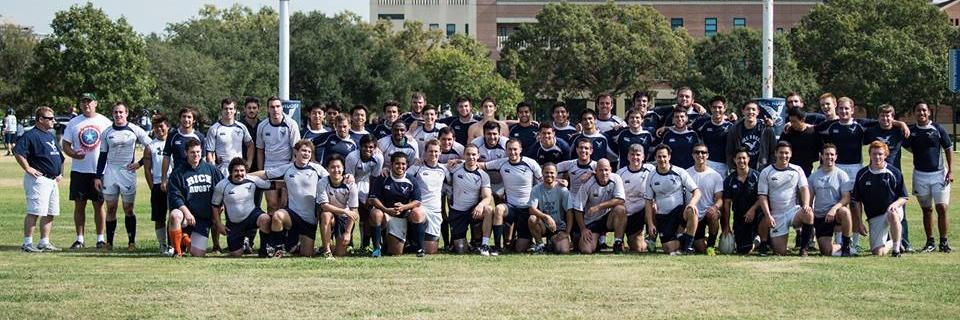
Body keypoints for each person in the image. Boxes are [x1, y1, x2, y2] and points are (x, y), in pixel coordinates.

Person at [255, 139, 329, 257]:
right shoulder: (287, 168)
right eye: (303, 150)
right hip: (292, 215)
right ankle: (278, 249)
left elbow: (334, 179)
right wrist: (247, 175)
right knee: (278, 215)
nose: (306, 154)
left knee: (306, 254)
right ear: (296, 152)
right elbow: (266, 174)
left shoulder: (317, 169)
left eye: (309, 152)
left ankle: (296, 245)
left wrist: (348, 177)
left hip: (309, 220)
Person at [95, 103, 152, 251]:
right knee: (111, 208)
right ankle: (109, 243)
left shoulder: (135, 129)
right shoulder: (106, 132)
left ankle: (131, 242)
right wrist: (97, 176)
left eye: (121, 112)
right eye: (115, 112)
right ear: (112, 114)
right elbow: (102, 156)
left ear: (126, 113)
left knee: (128, 208)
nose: (118, 115)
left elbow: (151, 146)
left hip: (127, 173)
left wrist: (140, 163)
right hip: (110, 173)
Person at [62, 93, 112, 250]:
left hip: (99, 172)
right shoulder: (73, 123)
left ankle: (100, 239)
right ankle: (79, 239)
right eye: (83, 102)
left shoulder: (105, 122)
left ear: (95, 103)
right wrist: (73, 154)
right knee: (79, 206)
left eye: (89, 101)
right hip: (79, 171)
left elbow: (113, 144)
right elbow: (66, 145)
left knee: (99, 205)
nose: (86, 104)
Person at [904, 101, 953, 253]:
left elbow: (948, 148)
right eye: (918, 111)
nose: (921, 113)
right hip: (920, 175)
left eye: (924, 110)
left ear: (929, 112)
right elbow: (908, 146)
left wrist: (950, 171)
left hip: (939, 174)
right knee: (927, 210)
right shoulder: (911, 131)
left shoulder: (938, 129)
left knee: (942, 208)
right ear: (914, 113)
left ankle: (944, 242)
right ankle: (930, 242)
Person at [481, 139, 542, 253]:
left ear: (520, 150)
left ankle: (527, 241)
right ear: (506, 150)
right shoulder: (502, 162)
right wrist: (459, 162)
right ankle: (498, 246)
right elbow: (482, 165)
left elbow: (544, 180)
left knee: (520, 249)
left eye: (515, 149)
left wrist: (560, 182)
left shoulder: (531, 163)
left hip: (526, 208)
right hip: (511, 207)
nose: (512, 152)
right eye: (509, 149)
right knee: (498, 208)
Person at [16, 106, 63, 252]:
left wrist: (60, 173)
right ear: (40, 119)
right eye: (50, 118)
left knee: (50, 212)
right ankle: (27, 243)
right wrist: (28, 168)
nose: (53, 121)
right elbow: (18, 152)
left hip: (52, 180)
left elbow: (60, 157)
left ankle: (44, 242)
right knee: (35, 211)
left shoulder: (50, 135)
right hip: (38, 179)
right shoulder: (31, 135)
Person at [863, 104, 910, 251]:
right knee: (881, 207)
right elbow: (859, 123)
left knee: (898, 209)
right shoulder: (872, 131)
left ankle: (903, 242)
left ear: (893, 117)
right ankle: (888, 241)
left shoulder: (899, 131)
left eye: (888, 115)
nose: (885, 118)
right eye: (882, 115)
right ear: (878, 117)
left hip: (893, 175)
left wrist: (901, 124)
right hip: (876, 174)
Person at [166, 139, 224, 257]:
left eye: (198, 152)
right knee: (175, 215)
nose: (196, 155)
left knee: (198, 254)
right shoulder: (178, 173)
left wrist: (221, 204)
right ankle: (177, 251)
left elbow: (223, 187)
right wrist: (187, 213)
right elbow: (174, 196)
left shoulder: (211, 170)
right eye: (192, 152)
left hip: (203, 218)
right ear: (186, 153)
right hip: (186, 217)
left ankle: (184, 239)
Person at [851, 141, 909, 257]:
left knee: (892, 213)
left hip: (892, 211)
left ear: (886, 155)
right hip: (874, 216)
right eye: (874, 154)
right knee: (878, 253)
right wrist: (859, 222)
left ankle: (896, 250)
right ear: (870, 155)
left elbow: (904, 197)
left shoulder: (894, 172)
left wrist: (895, 204)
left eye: (880, 154)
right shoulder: (862, 174)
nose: (877, 157)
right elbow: (857, 201)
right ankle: (893, 242)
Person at [757, 141, 814, 256]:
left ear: (791, 154)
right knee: (780, 252)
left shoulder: (797, 170)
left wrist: (806, 204)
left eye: (787, 153)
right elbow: (762, 196)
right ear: (776, 154)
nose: (784, 156)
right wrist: (768, 215)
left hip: (793, 211)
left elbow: (804, 188)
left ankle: (803, 249)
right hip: (776, 215)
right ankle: (766, 242)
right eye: (781, 153)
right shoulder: (766, 172)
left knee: (808, 213)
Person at [644, 144, 701, 255]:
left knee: (692, 211)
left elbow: (697, 192)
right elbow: (648, 201)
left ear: (669, 157)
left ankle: (688, 247)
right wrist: (650, 224)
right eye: (659, 157)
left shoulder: (679, 172)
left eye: (664, 156)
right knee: (668, 249)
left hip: (679, 212)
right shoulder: (651, 176)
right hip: (664, 217)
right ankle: (682, 237)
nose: (662, 159)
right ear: (655, 158)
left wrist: (692, 204)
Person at [210, 158, 274, 257]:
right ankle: (244, 244)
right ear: (230, 172)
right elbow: (215, 206)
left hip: (251, 216)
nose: (239, 173)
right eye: (236, 171)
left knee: (265, 219)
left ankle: (264, 250)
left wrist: (287, 183)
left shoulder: (253, 180)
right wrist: (219, 224)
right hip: (234, 223)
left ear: (246, 171)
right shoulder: (221, 185)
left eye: (242, 171)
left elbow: (272, 185)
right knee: (236, 254)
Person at [368, 152, 426, 257]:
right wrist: (386, 209)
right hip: (386, 214)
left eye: (403, 164)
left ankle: (419, 248)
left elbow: (417, 201)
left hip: (402, 216)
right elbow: (373, 199)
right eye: (397, 163)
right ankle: (376, 249)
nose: (400, 166)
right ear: (391, 164)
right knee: (375, 213)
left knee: (396, 252)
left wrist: (404, 207)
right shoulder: (383, 177)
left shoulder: (411, 179)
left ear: (407, 165)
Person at [445, 144, 495, 255]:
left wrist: (480, 205)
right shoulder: (455, 167)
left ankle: (484, 245)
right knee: (461, 250)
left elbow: (487, 197)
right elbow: (438, 167)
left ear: (478, 156)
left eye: (473, 154)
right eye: (468, 154)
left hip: (473, 211)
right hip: (457, 212)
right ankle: (465, 244)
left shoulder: (483, 175)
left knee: (488, 209)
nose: (471, 157)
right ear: (464, 155)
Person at [807, 144, 854, 256]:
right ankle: (841, 246)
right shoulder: (814, 177)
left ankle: (846, 245)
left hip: (836, 214)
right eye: (826, 154)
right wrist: (810, 219)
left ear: (836, 156)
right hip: (821, 216)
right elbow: (810, 199)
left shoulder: (841, 175)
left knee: (845, 211)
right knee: (826, 252)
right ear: (821, 156)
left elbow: (846, 198)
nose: (829, 157)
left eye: (832, 154)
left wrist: (833, 209)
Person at [256, 96, 301, 213]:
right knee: (272, 204)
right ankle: (271, 231)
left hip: (287, 166)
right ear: (267, 109)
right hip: (270, 167)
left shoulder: (291, 124)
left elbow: (296, 149)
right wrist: (261, 171)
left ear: (282, 108)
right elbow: (260, 149)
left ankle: (282, 231)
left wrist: (292, 168)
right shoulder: (262, 126)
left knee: (284, 204)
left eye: (277, 106)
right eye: (272, 107)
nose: (275, 109)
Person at [573, 159, 627, 254]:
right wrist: (583, 229)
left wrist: (598, 207)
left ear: (610, 170)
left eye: (606, 170)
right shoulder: (587, 183)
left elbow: (620, 199)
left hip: (608, 219)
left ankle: (618, 242)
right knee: (586, 250)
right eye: (601, 170)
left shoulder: (616, 178)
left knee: (620, 209)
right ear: (596, 171)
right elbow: (578, 208)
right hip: (592, 221)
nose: (604, 173)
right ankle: (595, 241)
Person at [721, 148, 769, 255]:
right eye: (739, 158)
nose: (741, 161)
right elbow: (727, 204)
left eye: (744, 158)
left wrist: (752, 209)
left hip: (757, 215)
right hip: (741, 218)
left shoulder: (758, 176)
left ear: (748, 159)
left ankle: (764, 240)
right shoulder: (729, 180)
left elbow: (763, 197)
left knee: (764, 218)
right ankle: (757, 241)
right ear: (734, 160)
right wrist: (726, 225)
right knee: (743, 250)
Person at [406, 140, 448, 255]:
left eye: (436, 151)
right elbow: (401, 177)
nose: (433, 154)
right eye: (430, 151)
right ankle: (414, 243)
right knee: (417, 213)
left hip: (435, 212)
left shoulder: (444, 169)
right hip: (420, 208)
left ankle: (413, 244)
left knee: (431, 251)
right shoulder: (417, 168)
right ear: (425, 152)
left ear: (440, 152)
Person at [141, 115, 175, 255]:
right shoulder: (150, 146)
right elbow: (147, 169)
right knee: (159, 217)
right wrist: (152, 186)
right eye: (156, 127)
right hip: (157, 184)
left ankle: (173, 244)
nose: (159, 129)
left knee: (173, 215)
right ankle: (162, 244)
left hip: (174, 184)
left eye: (162, 126)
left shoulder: (174, 143)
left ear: (167, 127)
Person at [344, 134, 384, 253]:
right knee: (351, 214)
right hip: (352, 182)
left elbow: (375, 178)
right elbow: (349, 178)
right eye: (365, 147)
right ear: (360, 147)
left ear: (375, 148)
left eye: (371, 147)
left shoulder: (379, 158)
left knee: (367, 215)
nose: (368, 150)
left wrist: (371, 197)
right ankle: (349, 244)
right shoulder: (352, 157)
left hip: (367, 183)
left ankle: (365, 245)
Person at [316, 155, 360, 258]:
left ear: (343, 168)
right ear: (327, 169)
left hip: (344, 218)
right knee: (326, 215)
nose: (336, 170)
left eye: (338, 167)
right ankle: (327, 251)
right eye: (332, 167)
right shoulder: (322, 182)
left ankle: (329, 246)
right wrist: (344, 211)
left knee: (340, 254)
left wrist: (348, 233)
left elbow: (353, 210)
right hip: (330, 215)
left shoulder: (351, 185)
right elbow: (324, 206)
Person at [616, 144, 655, 253]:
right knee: (638, 248)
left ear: (643, 157)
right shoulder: (620, 173)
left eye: (638, 155)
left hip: (645, 211)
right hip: (629, 214)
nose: (635, 157)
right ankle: (626, 239)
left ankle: (651, 238)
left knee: (654, 207)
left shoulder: (651, 170)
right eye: (632, 155)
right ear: (628, 157)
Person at [527, 162, 572, 254]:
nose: (549, 175)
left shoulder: (563, 190)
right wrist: (546, 217)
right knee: (532, 218)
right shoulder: (536, 189)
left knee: (563, 250)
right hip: (543, 225)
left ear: (556, 174)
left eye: (552, 173)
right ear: (542, 173)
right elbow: (531, 209)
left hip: (558, 227)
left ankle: (551, 243)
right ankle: (540, 245)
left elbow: (569, 212)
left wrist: (567, 233)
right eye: (546, 172)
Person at [686, 143, 723, 255]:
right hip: (693, 216)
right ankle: (696, 241)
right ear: (693, 155)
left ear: (707, 155)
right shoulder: (686, 174)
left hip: (708, 213)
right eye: (697, 152)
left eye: (703, 152)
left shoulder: (715, 175)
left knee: (714, 214)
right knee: (700, 249)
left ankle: (711, 244)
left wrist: (715, 207)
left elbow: (720, 198)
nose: (700, 155)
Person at [206, 98, 254, 175]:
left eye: (231, 109)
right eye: (226, 109)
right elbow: (209, 153)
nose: (228, 111)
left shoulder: (241, 127)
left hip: (239, 169)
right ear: (222, 110)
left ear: (235, 110)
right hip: (222, 170)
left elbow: (250, 145)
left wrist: (249, 162)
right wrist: (214, 170)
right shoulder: (214, 129)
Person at [725, 101, 777, 171]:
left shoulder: (766, 129)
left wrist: (769, 169)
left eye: (753, 109)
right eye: (748, 109)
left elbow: (774, 152)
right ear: (743, 111)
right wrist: (733, 168)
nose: (750, 112)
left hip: (762, 170)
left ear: (758, 112)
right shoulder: (735, 129)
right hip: (741, 170)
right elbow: (729, 151)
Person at [692, 96, 733, 177]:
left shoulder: (731, 126)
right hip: (707, 163)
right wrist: (667, 128)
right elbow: (684, 127)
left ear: (725, 109)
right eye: (714, 107)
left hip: (724, 165)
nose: (717, 110)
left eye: (720, 107)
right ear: (710, 108)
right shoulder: (702, 123)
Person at [779, 107, 821, 176]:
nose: (792, 124)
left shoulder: (813, 133)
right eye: (790, 121)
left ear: (802, 120)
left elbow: (821, 151)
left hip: (810, 171)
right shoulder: (787, 133)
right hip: (791, 171)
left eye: (794, 121)